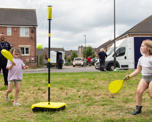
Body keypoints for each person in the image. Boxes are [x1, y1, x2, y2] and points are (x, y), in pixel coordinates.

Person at [125, 39, 152, 115]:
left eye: (142, 46)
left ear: (148, 48)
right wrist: (129, 76)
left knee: (151, 95)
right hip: (144, 78)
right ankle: (138, 109)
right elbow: (138, 70)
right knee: (139, 91)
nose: (141, 47)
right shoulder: (141, 59)